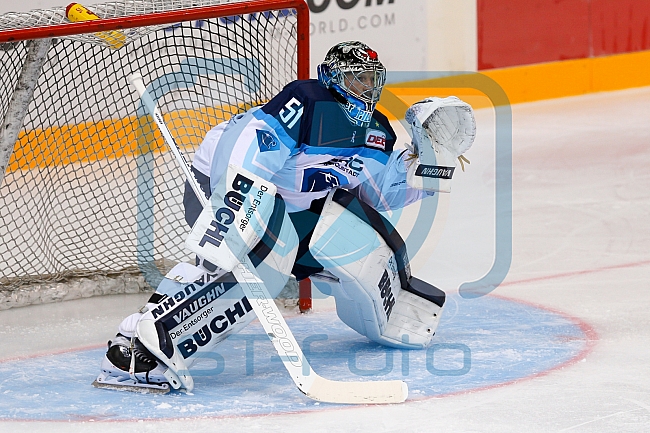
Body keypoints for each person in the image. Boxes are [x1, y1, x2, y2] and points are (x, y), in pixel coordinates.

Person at [93, 41, 476, 393]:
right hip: (226, 183)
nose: (366, 86)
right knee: (263, 268)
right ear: (332, 77)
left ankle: (146, 321)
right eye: (356, 77)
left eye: (372, 78)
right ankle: (143, 350)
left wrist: (428, 167)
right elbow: (251, 147)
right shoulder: (307, 101)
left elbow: (375, 196)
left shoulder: (377, 134)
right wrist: (233, 211)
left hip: (290, 207)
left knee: (353, 244)